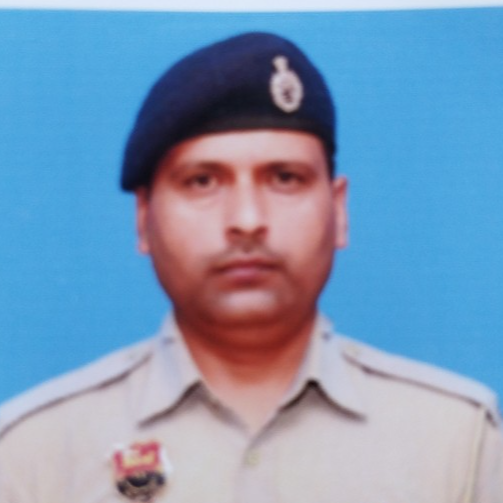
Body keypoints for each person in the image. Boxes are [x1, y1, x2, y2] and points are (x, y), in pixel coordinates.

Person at [0, 32, 501, 503]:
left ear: (339, 210)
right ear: (144, 218)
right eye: (202, 181)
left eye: (285, 178)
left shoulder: (458, 440)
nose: (246, 220)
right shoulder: (34, 453)